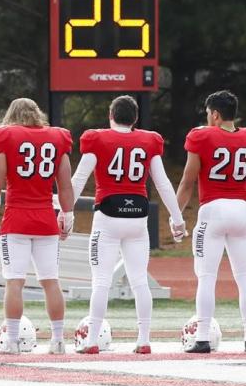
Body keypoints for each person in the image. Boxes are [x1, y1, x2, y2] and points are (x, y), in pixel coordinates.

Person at [72, 95, 186, 355]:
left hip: (108, 216)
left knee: (100, 281)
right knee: (139, 281)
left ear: (111, 115)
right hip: (138, 217)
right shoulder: (149, 140)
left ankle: (91, 342)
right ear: (135, 118)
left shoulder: (97, 138)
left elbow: (79, 178)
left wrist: (66, 211)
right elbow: (163, 183)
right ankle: (144, 339)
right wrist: (177, 218)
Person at [0, 97, 74, 355]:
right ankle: (57, 340)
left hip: (16, 219)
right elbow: (65, 185)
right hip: (45, 219)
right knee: (51, 282)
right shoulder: (57, 137)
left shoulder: (6, 136)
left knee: (14, 283)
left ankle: (11, 341)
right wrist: (69, 213)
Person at [176, 90, 246, 354]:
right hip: (243, 209)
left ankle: (203, 337)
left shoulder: (201, 135)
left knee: (206, 277)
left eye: (208, 114)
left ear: (215, 115)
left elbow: (187, 181)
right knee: (245, 278)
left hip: (213, 211)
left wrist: (176, 214)